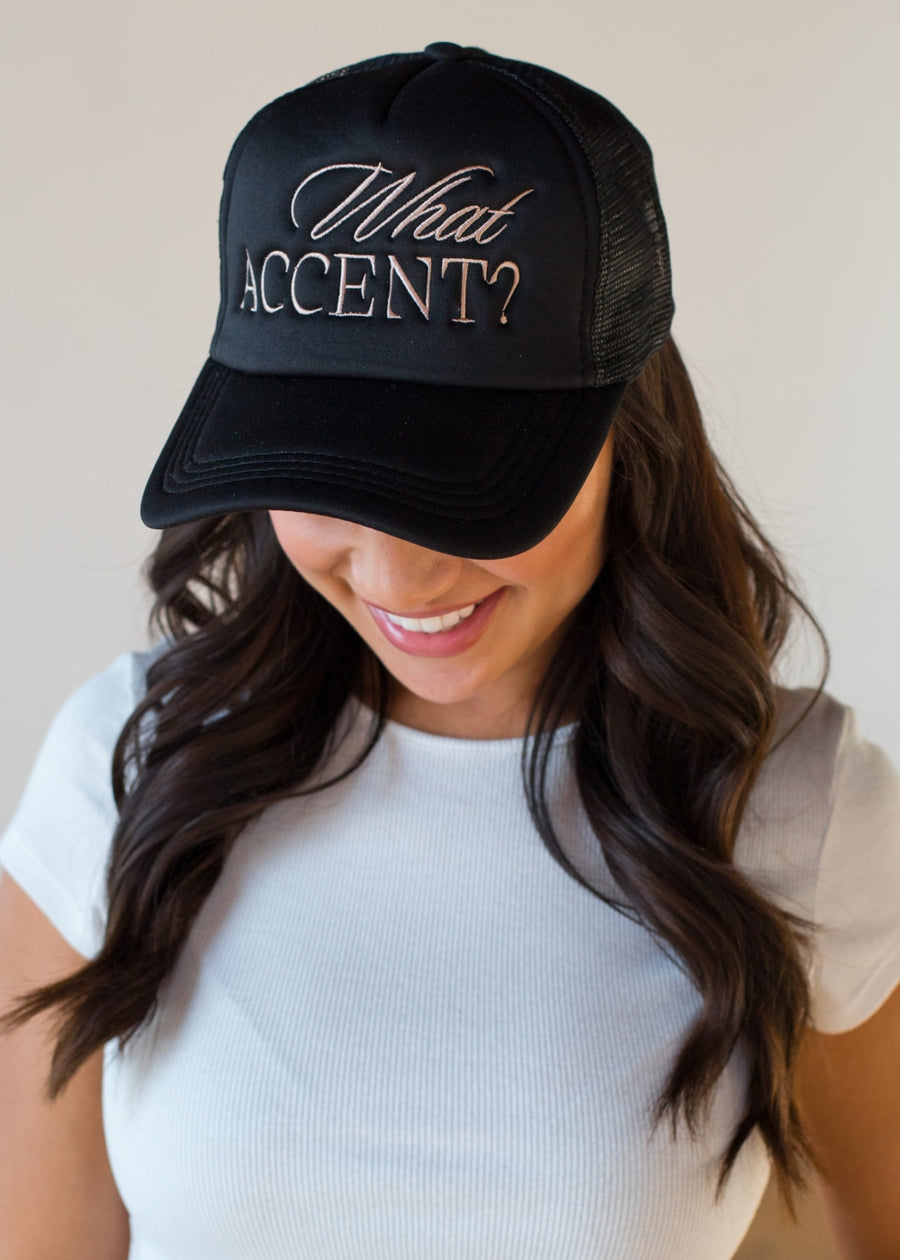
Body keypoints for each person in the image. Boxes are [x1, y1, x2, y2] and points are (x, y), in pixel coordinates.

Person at [0, 42, 898, 1260]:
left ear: (628, 428)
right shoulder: (125, 766)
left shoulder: (795, 802)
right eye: (323, 480)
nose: (394, 575)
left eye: (465, 488)